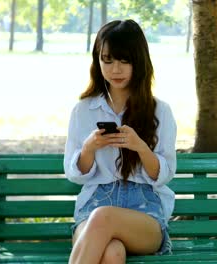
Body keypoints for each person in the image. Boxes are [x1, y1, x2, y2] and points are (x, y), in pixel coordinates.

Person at [64, 19, 177, 263]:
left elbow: (164, 174)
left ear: (140, 61)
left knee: (103, 217)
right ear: (98, 60)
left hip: (144, 210)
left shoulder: (160, 111)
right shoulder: (83, 110)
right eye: (108, 60)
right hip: (94, 206)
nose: (116, 69)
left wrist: (139, 146)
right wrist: (89, 148)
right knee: (112, 252)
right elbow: (75, 174)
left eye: (125, 60)